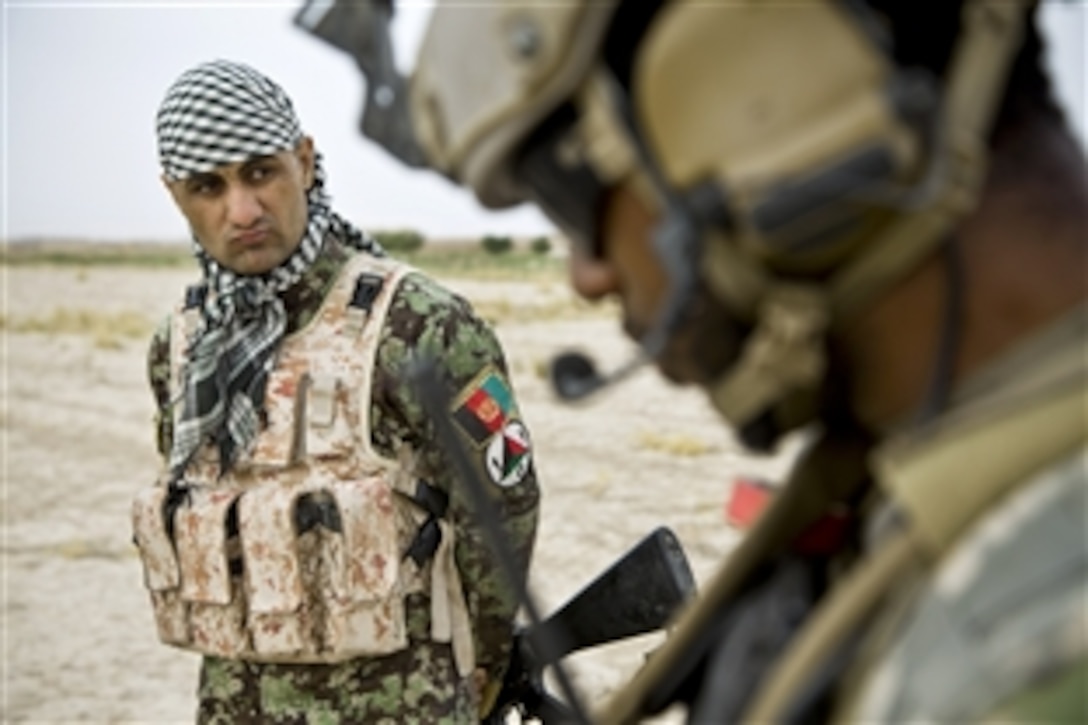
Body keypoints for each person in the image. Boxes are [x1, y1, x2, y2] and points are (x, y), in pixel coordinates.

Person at [302, 0, 1086, 721]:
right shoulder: (919, 497)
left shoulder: (1016, 660)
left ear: (751, 109)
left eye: (575, 198)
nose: (587, 273)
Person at [130, 59, 540, 724]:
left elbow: (503, 508)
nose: (243, 210)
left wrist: (478, 674)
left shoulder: (420, 325)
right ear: (176, 194)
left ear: (305, 161)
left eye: (261, 171)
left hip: (406, 704)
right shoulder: (179, 349)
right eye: (209, 186)